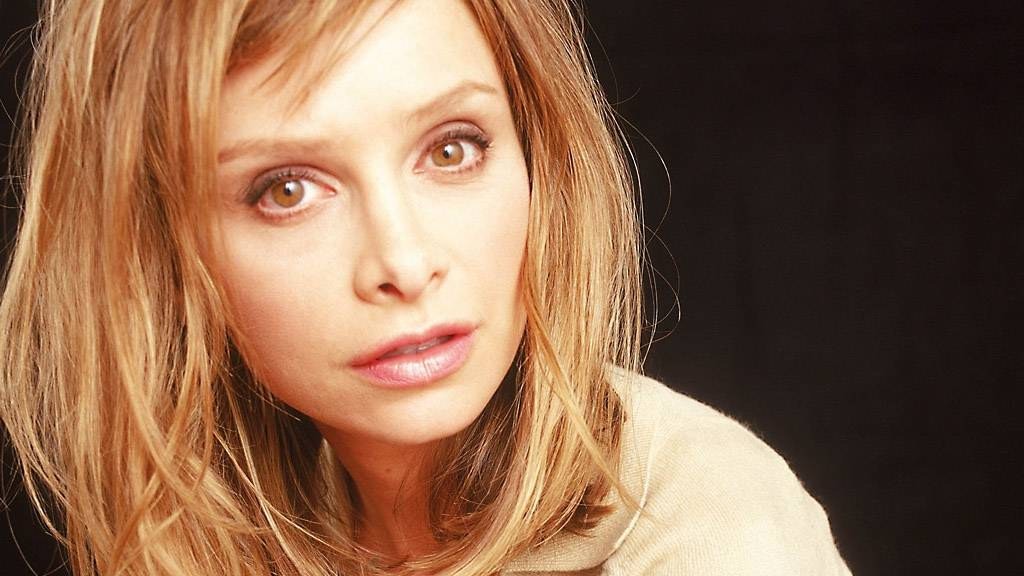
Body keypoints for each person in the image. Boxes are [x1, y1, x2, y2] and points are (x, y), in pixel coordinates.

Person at [0, 0, 851, 574]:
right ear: (164, 250)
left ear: (537, 155)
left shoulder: (713, 527)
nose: (404, 263)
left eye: (452, 148)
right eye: (287, 189)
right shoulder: (242, 521)